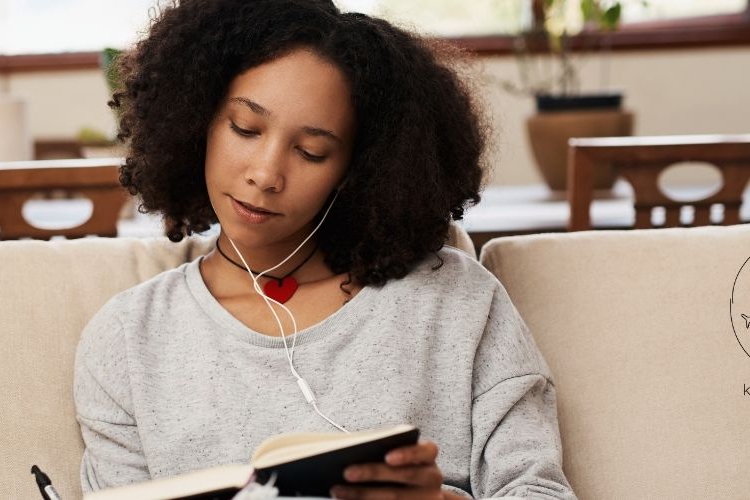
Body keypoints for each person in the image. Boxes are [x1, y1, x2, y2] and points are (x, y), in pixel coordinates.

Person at [74, 1, 576, 498]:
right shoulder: (127, 341)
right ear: (196, 119)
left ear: (356, 170)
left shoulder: (455, 303)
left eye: (311, 152)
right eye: (245, 129)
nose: (266, 175)